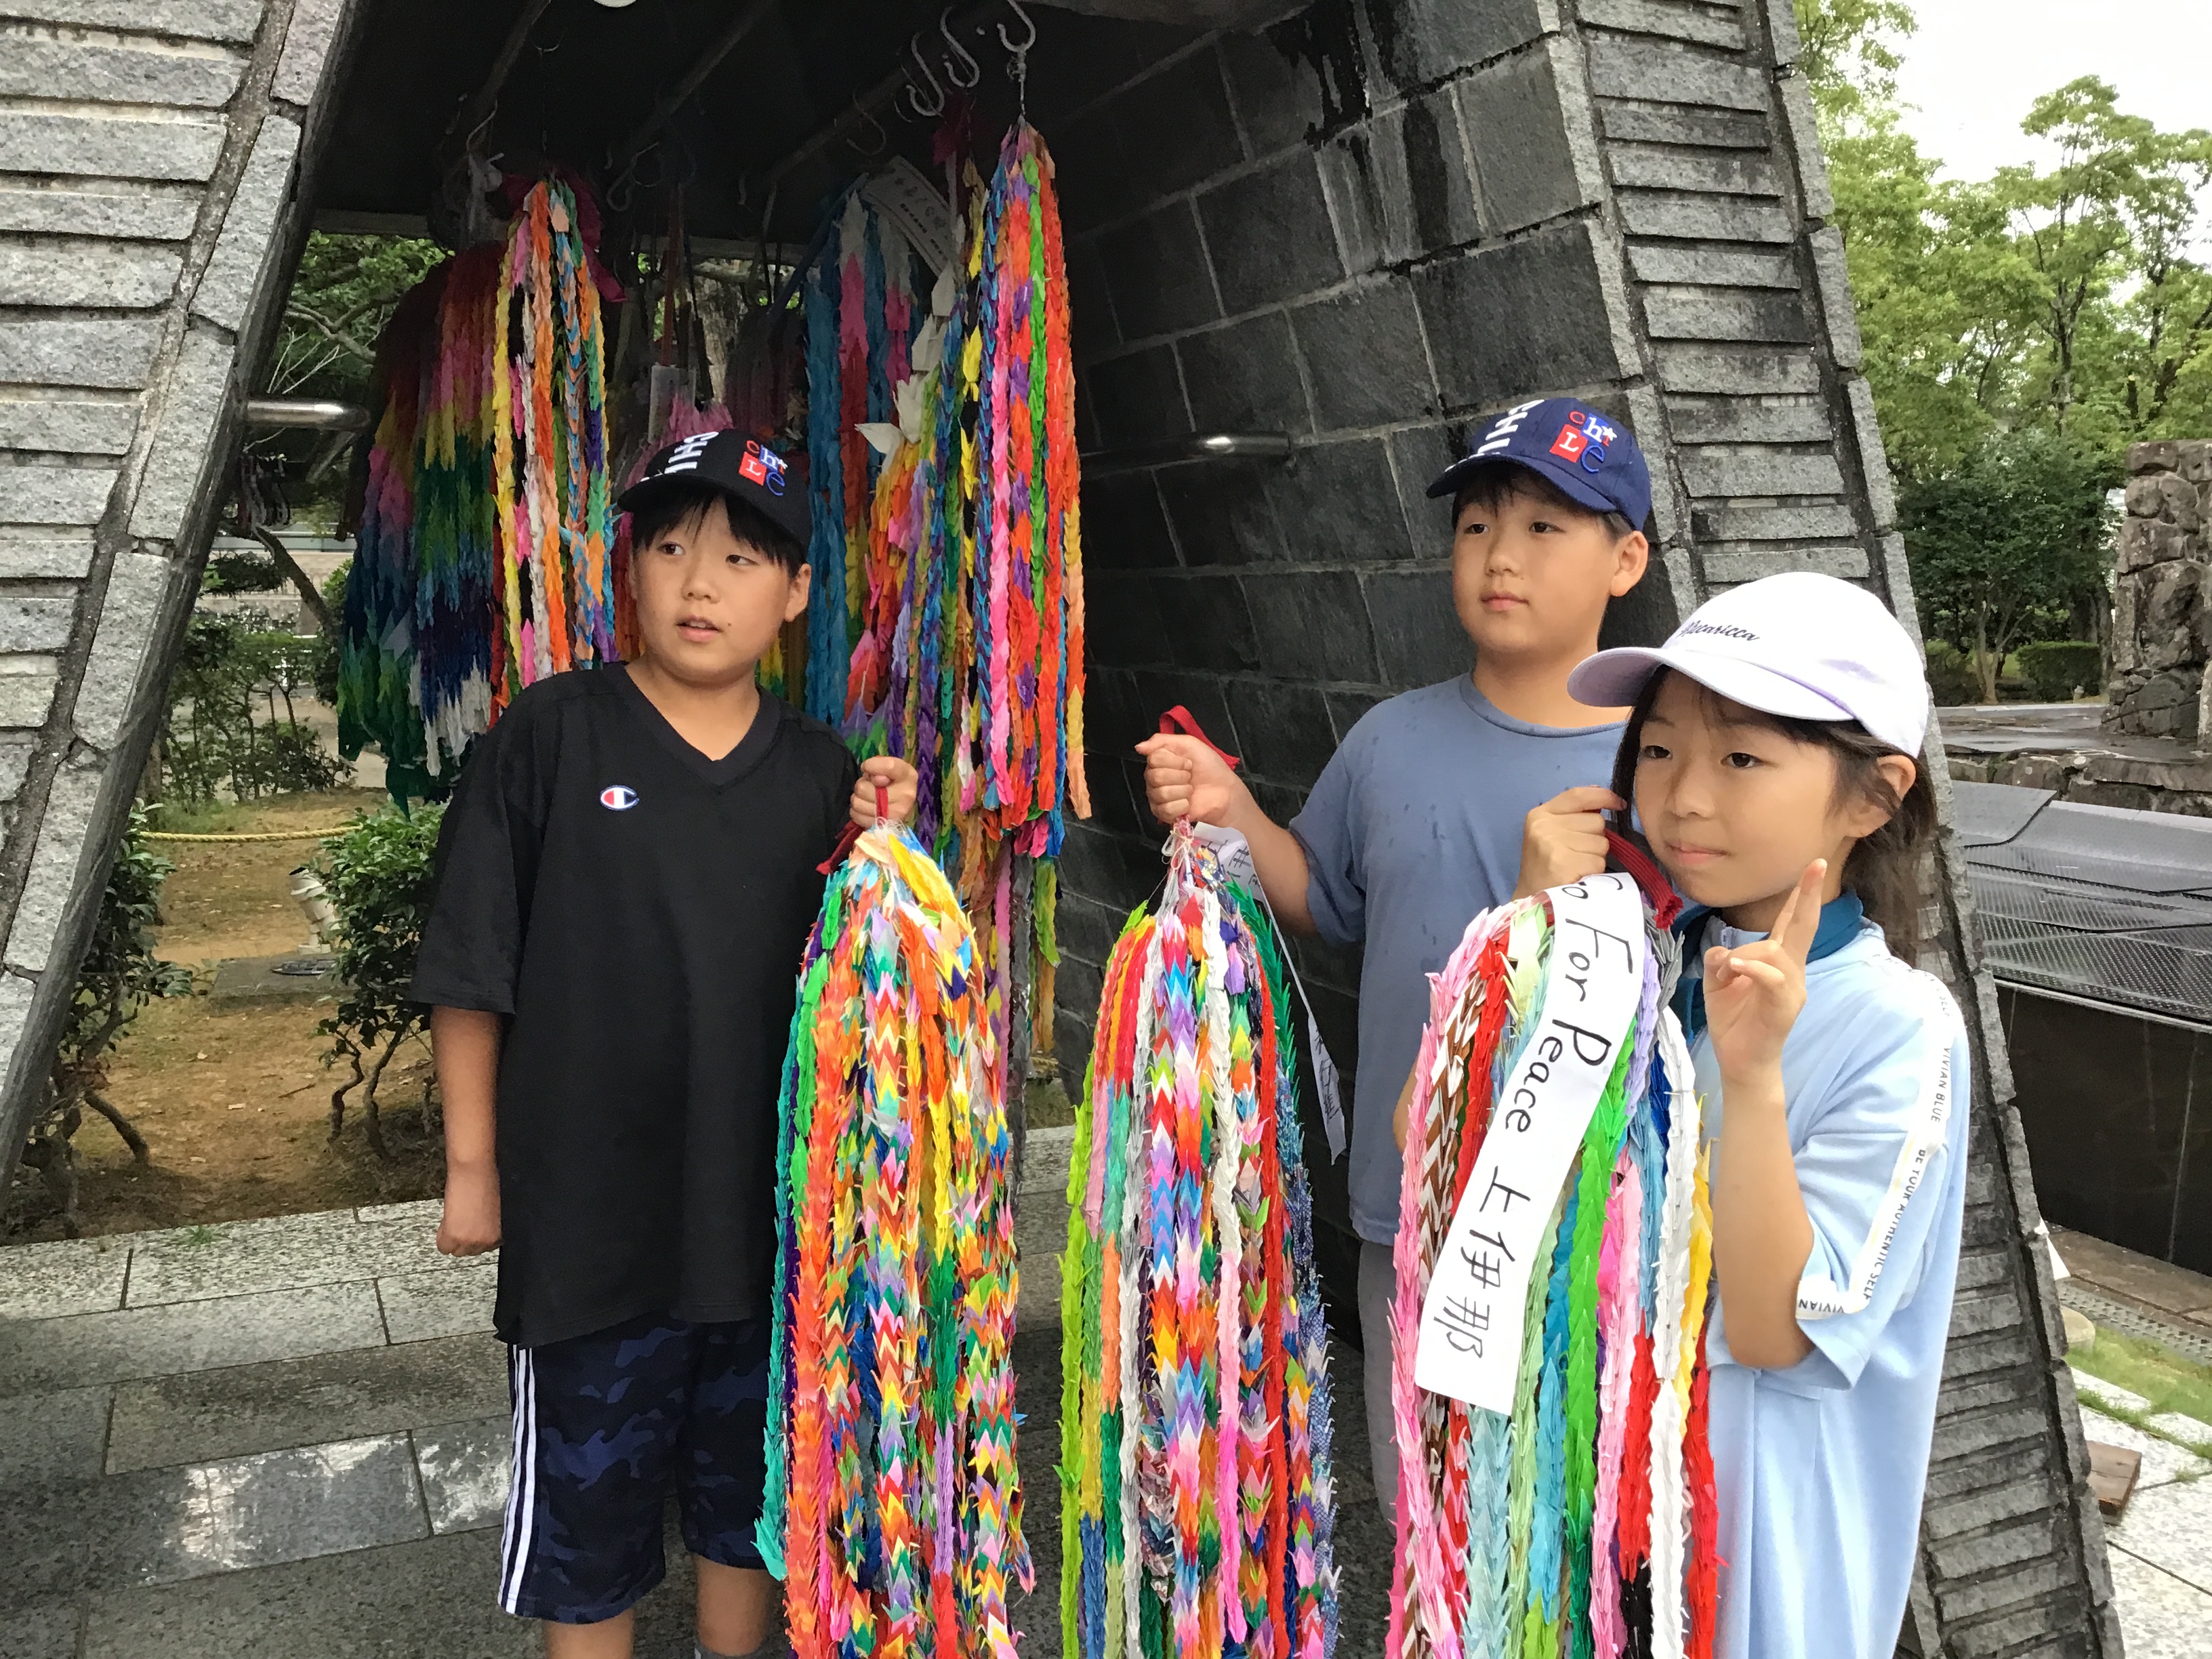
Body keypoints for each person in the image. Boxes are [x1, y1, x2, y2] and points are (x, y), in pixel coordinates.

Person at [417, 430, 916, 1659]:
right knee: (588, 1528)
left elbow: (870, 993)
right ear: (629, 569)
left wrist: (888, 851)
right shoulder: (551, 735)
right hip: (592, 1227)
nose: (701, 583)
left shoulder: (821, 772)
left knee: (750, 1508)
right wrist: (474, 1168)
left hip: (767, 1226)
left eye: (742, 558)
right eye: (673, 547)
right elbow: (472, 964)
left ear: (795, 592)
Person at [1139, 396, 1652, 1518]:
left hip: (1591, 1228)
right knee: (1423, 1516)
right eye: (1477, 526)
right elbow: (1324, 900)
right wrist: (1231, 810)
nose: (1501, 556)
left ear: (1626, 561)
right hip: (1407, 1209)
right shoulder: (1389, 738)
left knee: (1564, 1532)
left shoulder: (1665, 762)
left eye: (1544, 527)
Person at [1563, 570, 1969, 1658]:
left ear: (1875, 795)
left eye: (1741, 758)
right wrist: (1538, 936)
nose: (1684, 798)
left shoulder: (1901, 1024)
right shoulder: (1641, 963)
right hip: (1596, 1521)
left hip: (1759, 1565)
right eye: (1658, 749)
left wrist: (1752, 1082)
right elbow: (1443, 1158)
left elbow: (1778, 1333)